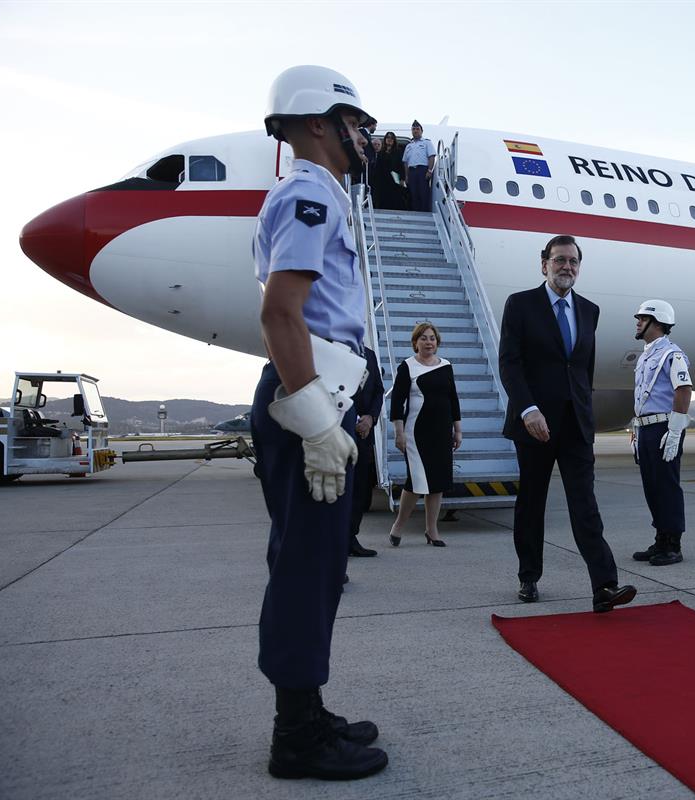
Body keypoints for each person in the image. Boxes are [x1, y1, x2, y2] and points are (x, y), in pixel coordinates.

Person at [249, 65, 387, 780]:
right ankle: (296, 738)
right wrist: (316, 424)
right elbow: (281, 313)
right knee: (307, 569)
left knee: (319, 566)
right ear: (317, 124)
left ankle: (307, 709)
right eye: (356, 124)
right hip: (310, 398)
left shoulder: (316, 195)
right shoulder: (310, 193)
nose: (366, 137)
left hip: (322, 391)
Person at [499, 234, 637, 612]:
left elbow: (581, 370)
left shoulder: (589, 310)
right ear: (544, 264)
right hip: (534, 424)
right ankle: (529, 576)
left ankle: (605, 585)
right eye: (559, 260)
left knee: (585, 504)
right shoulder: (521, 304)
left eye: (573, 261)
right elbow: (509, 363)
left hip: (575, 424)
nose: (567, 267)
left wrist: (587, 413)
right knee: (532, 503)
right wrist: (528, 409)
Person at [629, 300, 693, 566]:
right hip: (646, 427)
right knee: (651, 486)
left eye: (642, 318)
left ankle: (673, 545)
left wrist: (676, 430)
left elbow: (684, 390)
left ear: (657, 323)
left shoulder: (672, 355)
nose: (637, 322)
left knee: (666, 486)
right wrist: (635, 431)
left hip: (664, 426)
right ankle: (660, 539)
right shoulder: (646, 355)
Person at [387, 322, 462, 546]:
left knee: (437, 481)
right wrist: (398, 433)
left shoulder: (446, 365)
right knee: (417, 481)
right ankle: (398, 525)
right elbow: (397, 402)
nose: (429, 342)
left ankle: (432, 530)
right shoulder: (407, 367)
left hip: (442, 431)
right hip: (416, 433)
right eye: (424, 338)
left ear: (437, 342)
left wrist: (458, 430)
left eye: (432, 338)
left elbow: (453, 399)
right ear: (415, 342)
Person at [348, 349, 385, 558]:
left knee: (359, 489)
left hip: (364, 434)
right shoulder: (334, 348)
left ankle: (350, 538)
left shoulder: (370, 355)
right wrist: (354, 420)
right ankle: (334, 541)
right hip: (341, 431)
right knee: (340, 490)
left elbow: (379, 390)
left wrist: (370, 417)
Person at [402, 120, 436, 212]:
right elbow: (405, 162)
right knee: (413, 192)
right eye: (413, 129)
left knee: (423, 192)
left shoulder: (426, 143)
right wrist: (406, 176)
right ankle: (415, 211)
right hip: (411, 171)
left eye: (417, 129)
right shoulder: (409, 146)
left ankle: (424, 212)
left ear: (421, 131)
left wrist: (429, 170)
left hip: (422, 170)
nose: (415, 131)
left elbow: (431, 157)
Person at [370, 131, 406, 211]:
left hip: (394, 179)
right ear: (385, 139)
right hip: (382, 180)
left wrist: (402, 179)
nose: (389, 139)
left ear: (394, 140)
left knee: (394, 199)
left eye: (391, 138)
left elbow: (401, 166)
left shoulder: (398, 152)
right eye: (388, 137)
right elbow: (377, 167)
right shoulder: (381, 152)